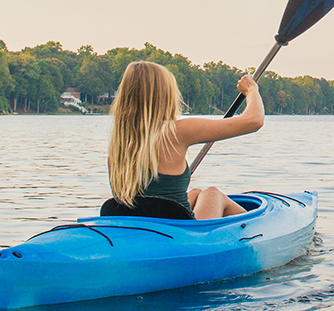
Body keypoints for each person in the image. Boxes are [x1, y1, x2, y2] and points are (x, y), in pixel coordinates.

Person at [108, 61, 265, 220]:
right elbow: (254, 121)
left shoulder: (119, 144)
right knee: (212, 193)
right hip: (179, 232)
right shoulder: (175, 131)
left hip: (140, 227)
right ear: (164, 96)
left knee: (196, 193)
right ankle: (256, 230)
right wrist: (251, 90)